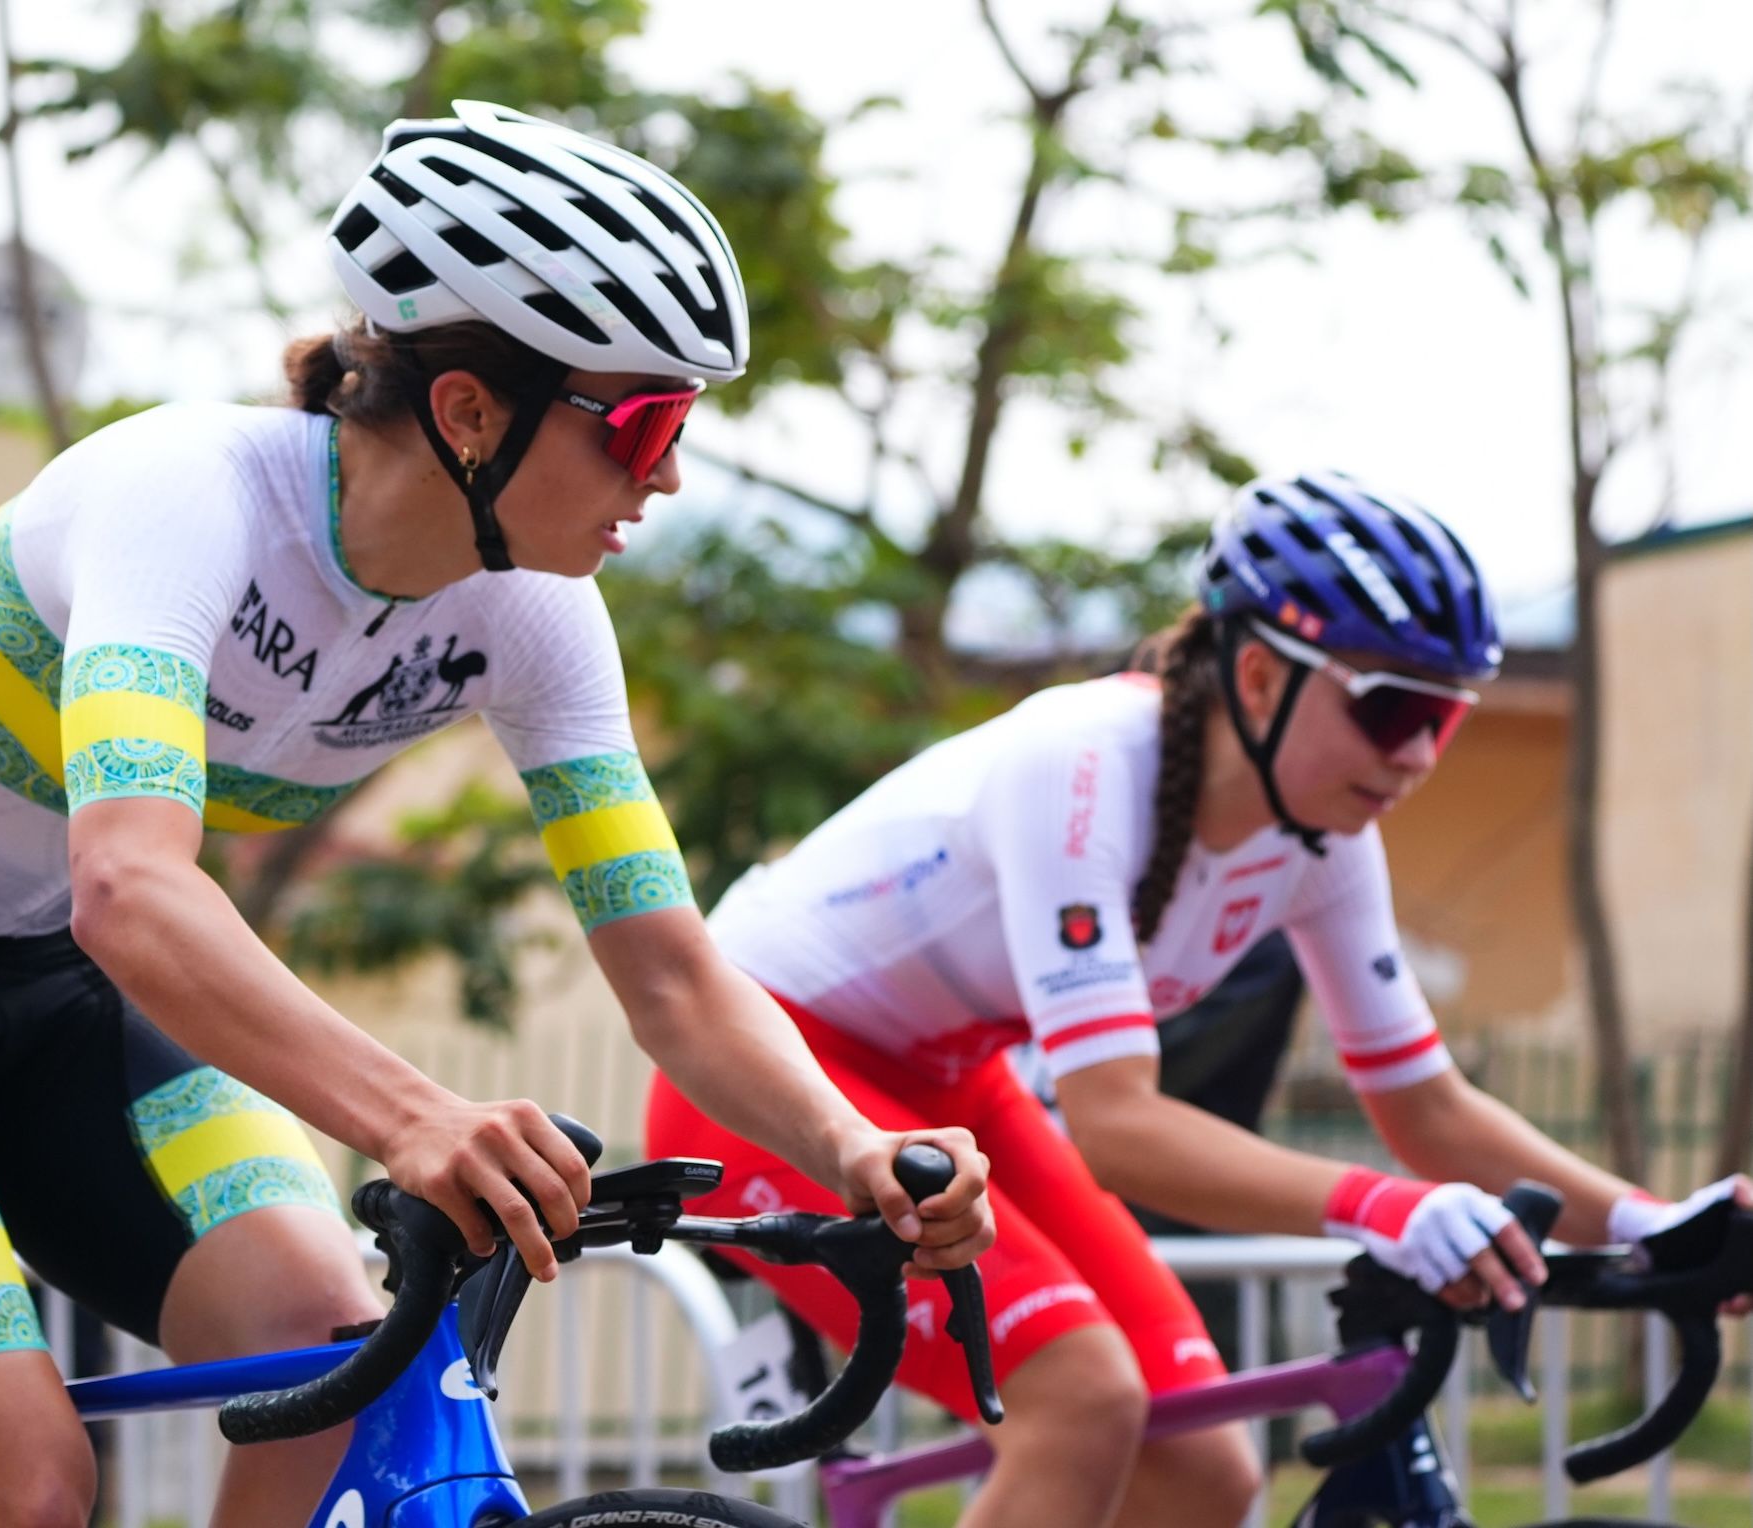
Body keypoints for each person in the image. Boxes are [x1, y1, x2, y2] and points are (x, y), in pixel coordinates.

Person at [0, 101, 992, 1528]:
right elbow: (130, 887)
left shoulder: (536, 616)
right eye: (642, 423)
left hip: (49, 988)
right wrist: (415, 1116)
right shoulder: (184, 493)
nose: (665, 474)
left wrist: (850, 1149)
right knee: (19, 1484)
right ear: (468, 412)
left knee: (337, 1352)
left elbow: (668, 973)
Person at [647, 472, 1748, 1528]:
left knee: (1204, 1470)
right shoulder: (1080, 766)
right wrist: (1384, 1205)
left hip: (949, 1087)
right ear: (1259, 678)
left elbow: (1426, 1104)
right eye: (1391, 708)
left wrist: (1647, 1221)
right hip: (759, 1071)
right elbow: (1118, 1126)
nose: (1418, 754)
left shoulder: (1323, 839)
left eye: (1446, 718)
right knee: (1082, 1399)